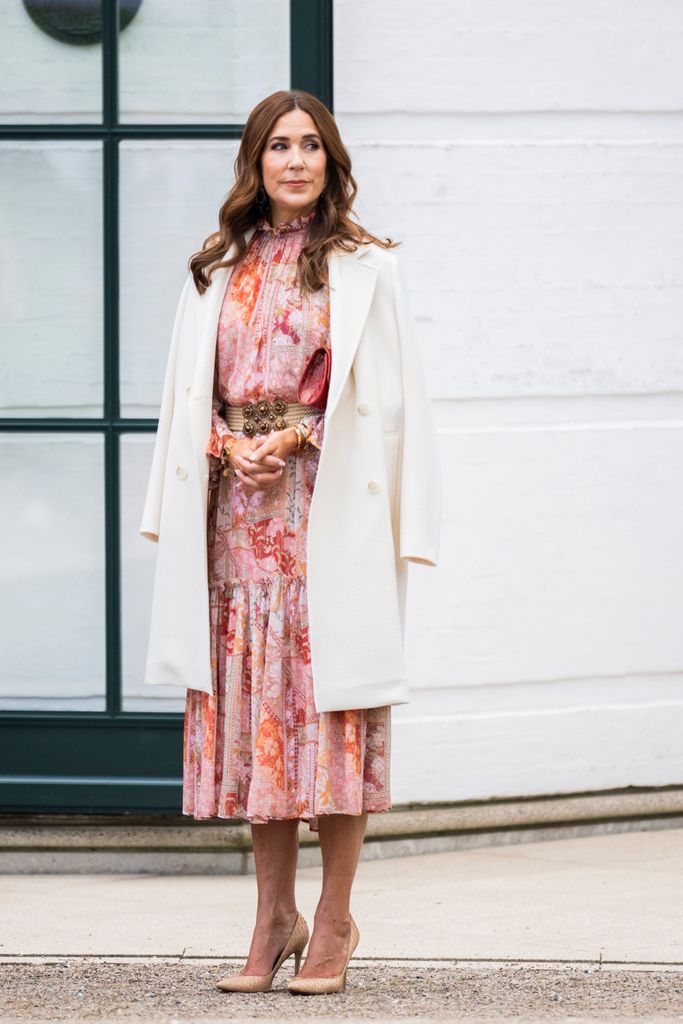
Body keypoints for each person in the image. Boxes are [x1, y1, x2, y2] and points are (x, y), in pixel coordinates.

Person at [139, 88, 441, 996]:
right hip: (235, 518)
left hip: (325, 509)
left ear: (331, 160)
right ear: (255, 162)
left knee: (329, 715)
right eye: (279, 146)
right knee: (256, 726)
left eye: (312, 145)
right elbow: (184, 396)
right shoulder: (214, 266)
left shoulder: (365, 266)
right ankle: (272, 919)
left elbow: (389, 400)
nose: (297, 160)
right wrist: (229, 444)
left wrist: (298, 436)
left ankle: (336, 919)